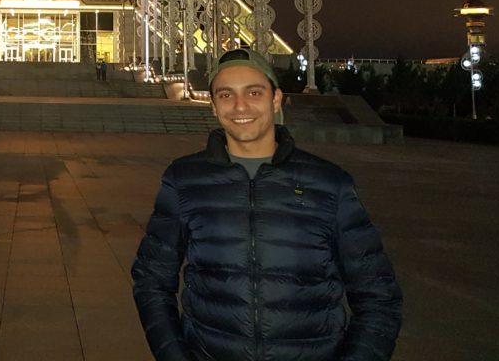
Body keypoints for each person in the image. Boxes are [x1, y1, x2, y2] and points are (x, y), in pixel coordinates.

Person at [131, 48, 402, 361]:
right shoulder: (184, 180)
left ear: (276, 99)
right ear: (213, 105)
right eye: (226, 94)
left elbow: (378, 295)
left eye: (254, 92)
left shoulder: (328, 184)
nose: (240, 106)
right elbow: (151, 280)